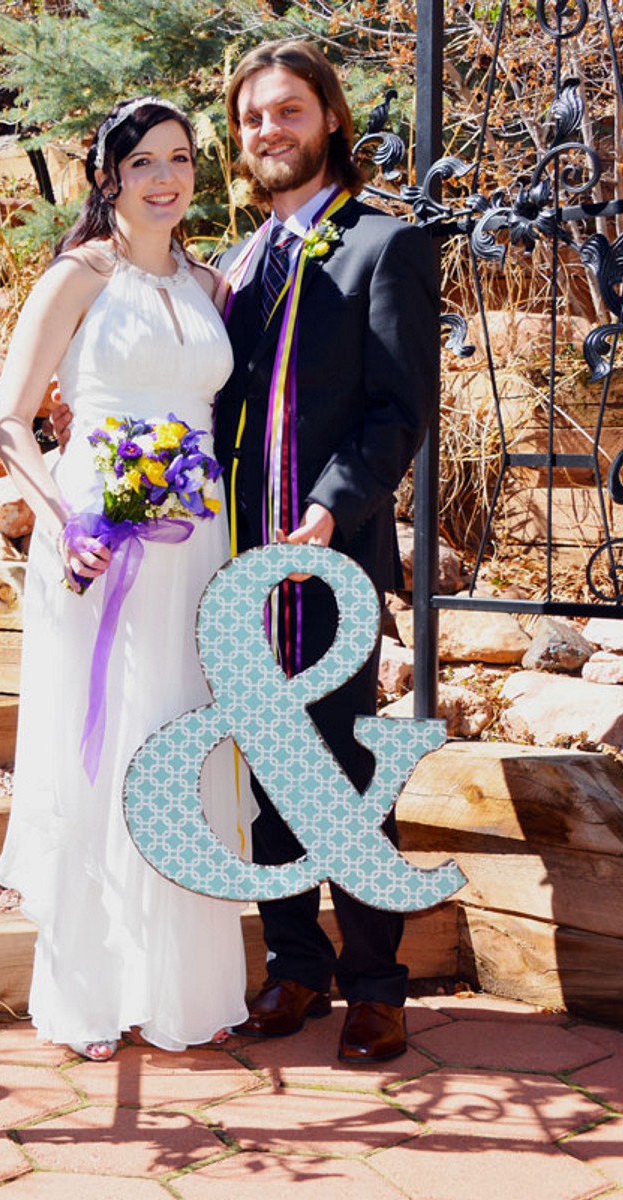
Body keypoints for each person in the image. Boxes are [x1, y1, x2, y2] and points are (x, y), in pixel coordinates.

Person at [0, 96, 252, 1062]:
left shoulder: (210, 283)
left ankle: (184, 988)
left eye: (179, 158)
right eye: (141, 160)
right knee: (106, 745)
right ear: (110, 174)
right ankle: (90, 992)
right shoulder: (80, 275)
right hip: (97, 535)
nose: (164, 177)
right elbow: (10, 421)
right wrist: (65, 528)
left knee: (181, 732)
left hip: (197, 537)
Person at [213, 39, 440, 1064]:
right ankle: (293, 966)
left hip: (327, 561)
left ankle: (375, 985)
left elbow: (397, 413)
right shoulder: (236, 263)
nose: (269, 130)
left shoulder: (379, 245)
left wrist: (326, 509)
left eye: (287, 111)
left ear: (329, 119)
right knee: (266, 770)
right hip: (235, 568)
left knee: (341, 770)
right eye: (253, 116)